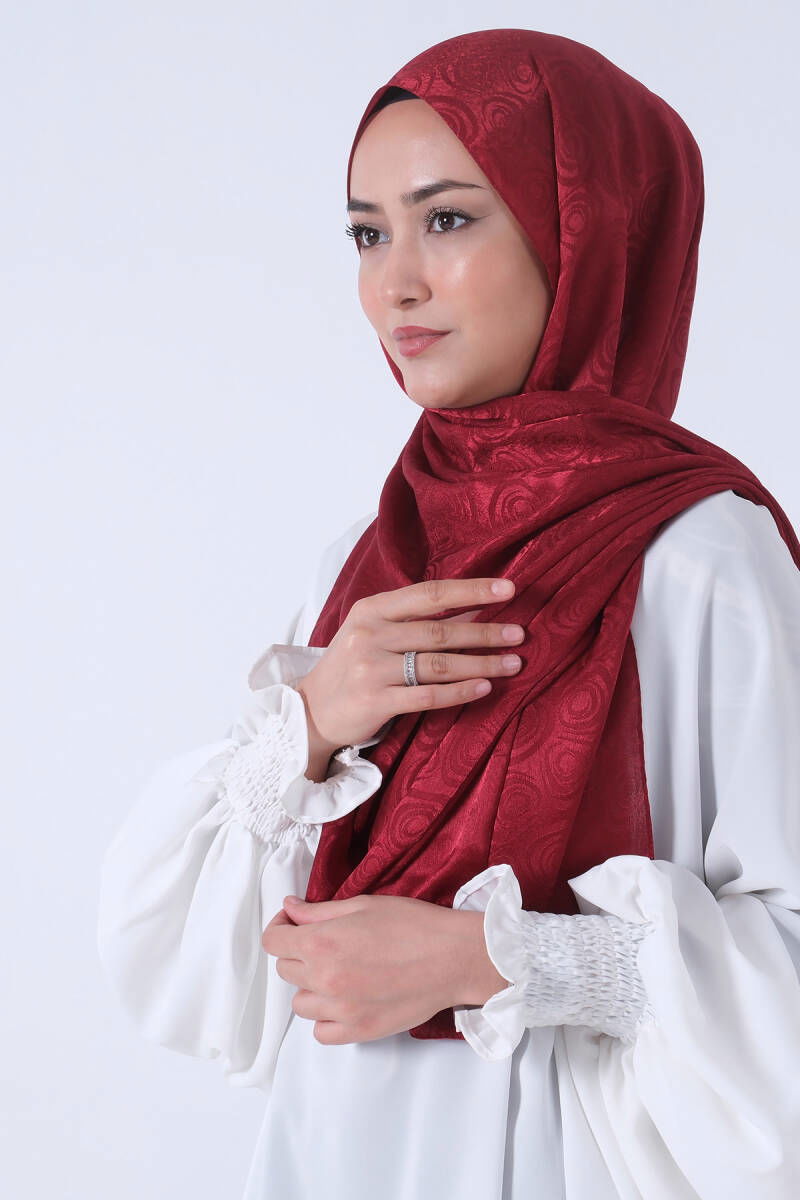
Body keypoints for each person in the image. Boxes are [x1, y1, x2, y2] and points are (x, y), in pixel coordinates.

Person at [97, 28, 800, 1200]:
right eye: (367, 233)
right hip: (334, 1157)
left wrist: (496, 959)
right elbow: (183, 967)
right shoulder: (364, 559)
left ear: (584, 233)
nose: (394, 284)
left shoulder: (700, 557)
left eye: (448, 219)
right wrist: (309, 726)